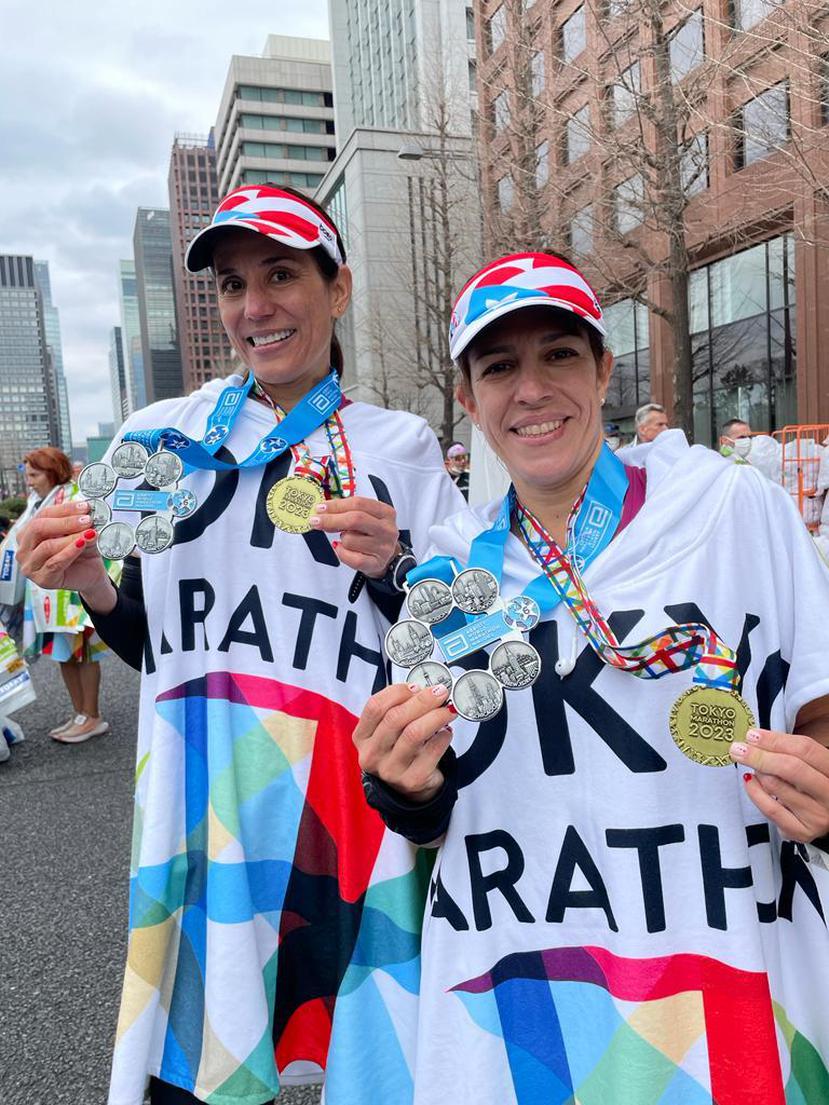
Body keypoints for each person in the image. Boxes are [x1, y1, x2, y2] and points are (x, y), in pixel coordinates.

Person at [17, 183, 464, 1105]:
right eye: (231, 284)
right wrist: (88, 582)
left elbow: (460, 647)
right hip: (201, 797)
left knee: (372, 1057)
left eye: (281, 275)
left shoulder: (402, 446)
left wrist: (395, 566)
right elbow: (156, 642)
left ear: (336, 289)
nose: (253, 307)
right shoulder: (160, 441)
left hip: (345, 806)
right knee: (205, 1068)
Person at [354, 251, 829, 1103]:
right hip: (521, 982)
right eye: (499, 366)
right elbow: (433, 818)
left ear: (604, 368)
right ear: (468, 399)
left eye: (558, 354)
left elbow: (817, 699)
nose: (530, 389)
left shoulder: (729, 507)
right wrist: (403, 790)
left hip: (718, 962)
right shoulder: (450, 581)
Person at [17, 447, 109, 743]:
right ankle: (80, 714)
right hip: (49, 596)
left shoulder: (73, 497)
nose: (29, 481)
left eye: (34, 474)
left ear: (51, 472)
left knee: (83, 654)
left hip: (72, 594)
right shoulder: (37, 501)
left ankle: (92, 716)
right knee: (63, 656)